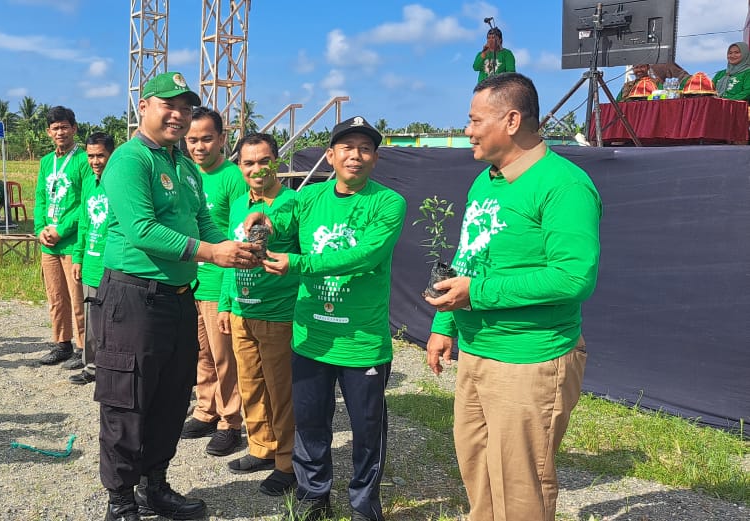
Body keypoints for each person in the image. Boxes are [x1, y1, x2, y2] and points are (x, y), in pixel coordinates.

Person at [425, 73, 600, 521]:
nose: (467, 130)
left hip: (529, 359)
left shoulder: (564, 185)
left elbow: (573, 278)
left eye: (475, 120)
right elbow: (468, 254)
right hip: (477, 351)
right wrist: (444, 324)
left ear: (512, 120)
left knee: (521, 488)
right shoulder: (485, 181)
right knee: (478, 472)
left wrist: (477, 294)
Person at [96, 71, 260, 521]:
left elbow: (201, 221)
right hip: (134, 298)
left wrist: (232, 248)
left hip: (178, 297)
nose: (178, 115)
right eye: (169, 105)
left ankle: (155, 486)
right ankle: (121, 502)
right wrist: (211, 253)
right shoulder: (131, 160)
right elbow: (142, 230)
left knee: (170, 399)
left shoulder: (183, 165)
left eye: (185, 108)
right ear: (143, 106)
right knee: (127, 402)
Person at [253, 116, 405, 521]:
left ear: (375, 158)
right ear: (330, 156)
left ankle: (364, 507)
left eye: (365, 148)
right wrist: (264, 223)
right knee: (309, 424)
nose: (356, 155)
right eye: (347, 147)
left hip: (361, 341)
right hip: (311, 336)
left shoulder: (388, 202)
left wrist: (298, 263)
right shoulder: (309, 197)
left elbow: (366, 255)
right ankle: (313, 497)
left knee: (367, 431)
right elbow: (282, 221)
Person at [218, 132, 300, 496]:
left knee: (280, 389)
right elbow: (229, 255)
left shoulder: (292, 202)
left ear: (276, 162)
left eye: (264, 161)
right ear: (239, 166)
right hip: (241, 309)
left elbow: (277, 222)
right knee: (250, 384)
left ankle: (287, 461)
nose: (257, 169)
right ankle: (261, 446)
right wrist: (226, 303)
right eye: (248, 163)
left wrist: (267, 221)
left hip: (277, 312)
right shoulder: (238, 203)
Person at [179, 107, 246, 457]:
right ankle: (206, 410)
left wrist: (228, 295)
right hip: (190, 279)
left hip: (218, 282)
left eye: (207, 139)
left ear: (222, 138)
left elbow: (236, 237)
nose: (199, 146)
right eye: (192, 140)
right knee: (201, 353)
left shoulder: (233, 178)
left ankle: (230, 421)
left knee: (225, 357)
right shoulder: (185, 172)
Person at [33, 106, 90, 366]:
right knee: (55, 297)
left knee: (77, 297)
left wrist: (61, 230)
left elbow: (85, 202)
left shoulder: (83, 160)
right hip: (49, 243)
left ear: (74, 129)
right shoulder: (46, 162)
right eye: (55, 128)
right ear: (48, 132)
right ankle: (61, 343)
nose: (60, 132)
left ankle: (83, 348)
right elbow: (40, 198)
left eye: (64, 127)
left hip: (72, 241)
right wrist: (40, 229)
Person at [67, 132, 115, 385]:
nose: (95, 161)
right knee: (92, 320)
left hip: (114, 265)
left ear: (111, 155)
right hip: (91, 263)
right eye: (91, 156)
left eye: (101, 156)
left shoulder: (119, 182)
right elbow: (84, 224)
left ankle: (112, 369)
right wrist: (78, 257)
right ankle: (92, 367)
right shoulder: (88, 183)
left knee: (114, 321)